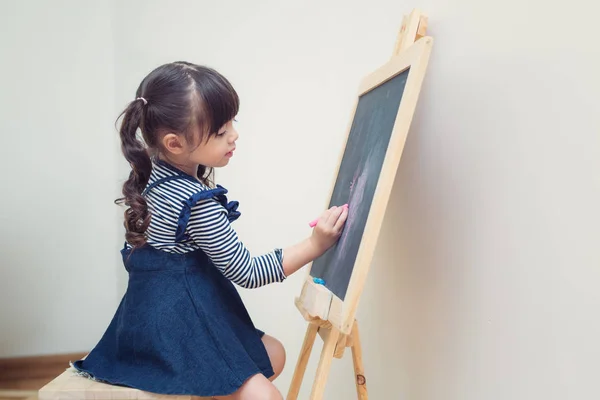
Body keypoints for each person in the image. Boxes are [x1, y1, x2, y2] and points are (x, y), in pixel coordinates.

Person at [72, 61, 348, 400]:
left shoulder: (154, 171)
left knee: (272, 354)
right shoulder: (195, 202)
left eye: (232, 122)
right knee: (267, 396)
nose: (234, 135)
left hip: (150, 317)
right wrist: (315, 243)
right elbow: (248, 272)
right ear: (174, 143)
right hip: (176, 327)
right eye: (220, 132)